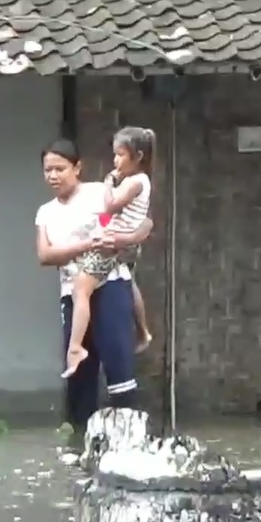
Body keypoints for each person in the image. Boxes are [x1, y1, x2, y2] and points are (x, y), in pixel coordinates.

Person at [34, 139, 152, 429]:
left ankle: (129, 446)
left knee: (119, 370)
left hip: (111, 286)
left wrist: (125, 240)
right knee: (78, 376)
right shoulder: (45, 212)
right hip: (73, 296)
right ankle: (78, 448)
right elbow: (45, 254)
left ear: (77, 168)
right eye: (47, 170)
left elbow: (145, 223)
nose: (53, 176)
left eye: (60, 169)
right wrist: (89, 243)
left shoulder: (101, 193)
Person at [62, 127, 156, 378]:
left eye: (120, 155)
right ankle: (143, 330)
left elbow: (110, 206)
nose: (115, 161)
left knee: (80, 289)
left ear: (137, 156)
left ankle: (75, 347)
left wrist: (108, 184)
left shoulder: (135, 182)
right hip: (123, 245)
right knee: (128, 281)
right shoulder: (141, 181)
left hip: (111, 245)